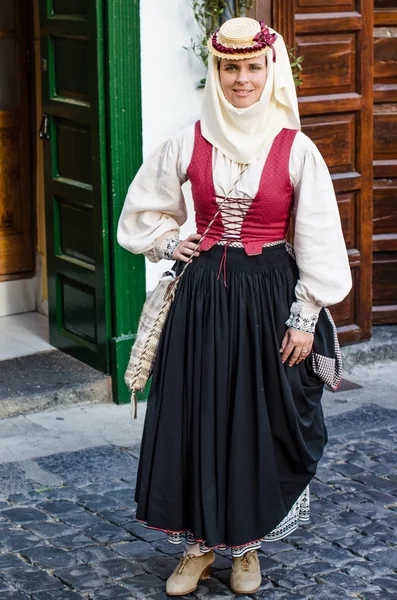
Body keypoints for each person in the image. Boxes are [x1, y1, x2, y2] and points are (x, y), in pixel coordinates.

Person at [117, 17, 352, 596]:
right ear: (216, 72)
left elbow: (319, 238)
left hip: (269, 296)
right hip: (201, 299)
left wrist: (304, 316)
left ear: (269, 71)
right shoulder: (187, 139)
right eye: (229, 67)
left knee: (257, 416)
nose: (240, 79)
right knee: (198, 411)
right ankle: (197, 547)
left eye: (251, 67)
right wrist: (172, 241)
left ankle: (246, 547)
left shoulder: (296, 149)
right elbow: (142, 212)